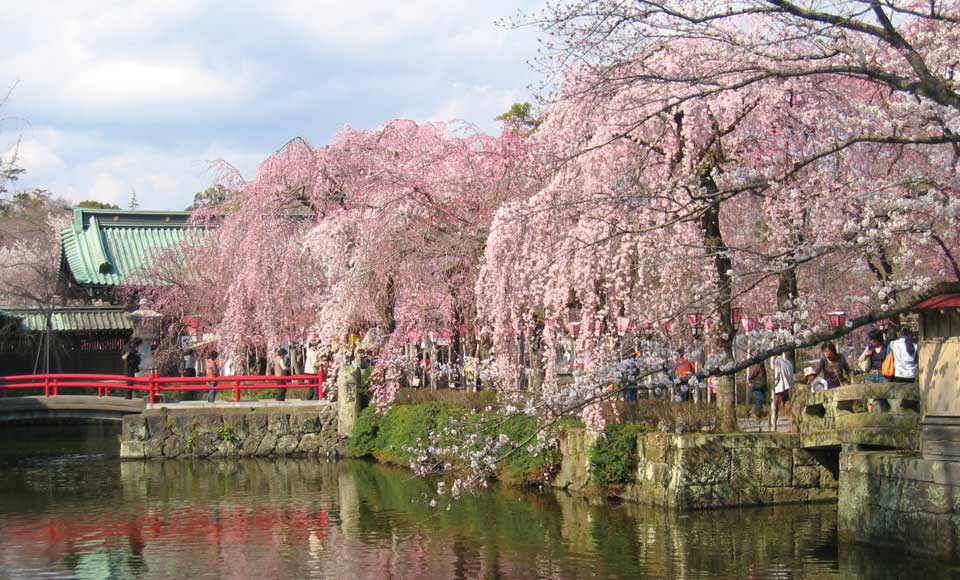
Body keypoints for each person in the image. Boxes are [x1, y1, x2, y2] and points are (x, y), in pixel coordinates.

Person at [771, 353, 794, 432]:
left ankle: (773, 427)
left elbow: (776, 376)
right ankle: (791, 426)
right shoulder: (788, 362)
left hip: (779, 387)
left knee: (775, 408)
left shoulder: (777, 362)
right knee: (788, 406)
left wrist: (773, 384)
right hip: (788, 386)